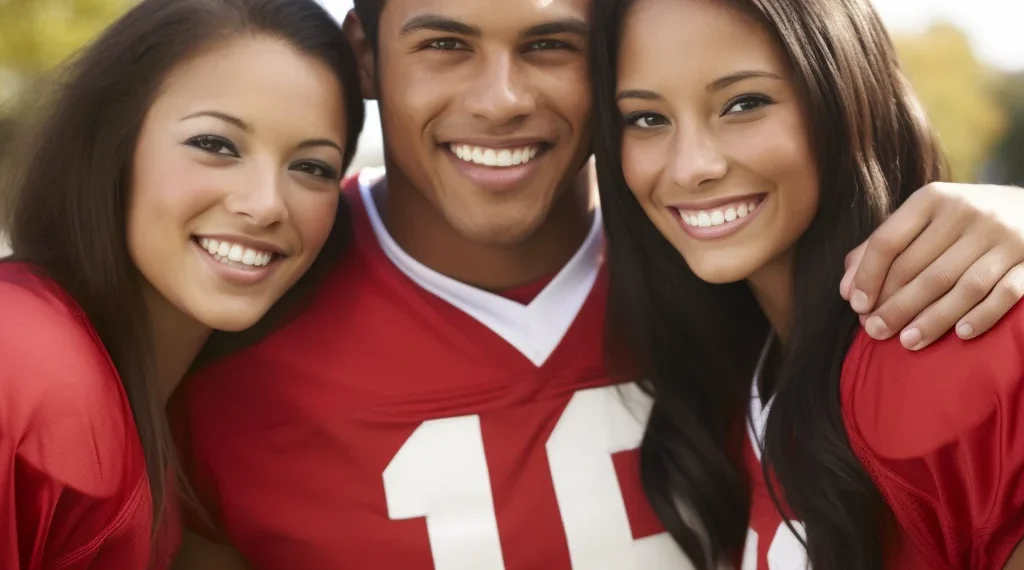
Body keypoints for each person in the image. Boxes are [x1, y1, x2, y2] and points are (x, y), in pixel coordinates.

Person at [173, 0, 1024, 568]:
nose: (501, 100)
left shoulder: (727, 275)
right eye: (445, 44)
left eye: (551, 45)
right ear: (364, 54)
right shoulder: (236, 304)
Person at [591, 0, 1024, 568]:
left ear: (846, 93)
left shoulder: (967, 344)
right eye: (648, 118)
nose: (690, 167)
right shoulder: (723, 377)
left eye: (744, 103)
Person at [0, 0, 364, 567]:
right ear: (113, 143)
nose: (266, 204)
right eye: (215, 145)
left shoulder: (183, 426)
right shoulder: (23, 363)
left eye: (312, 167)